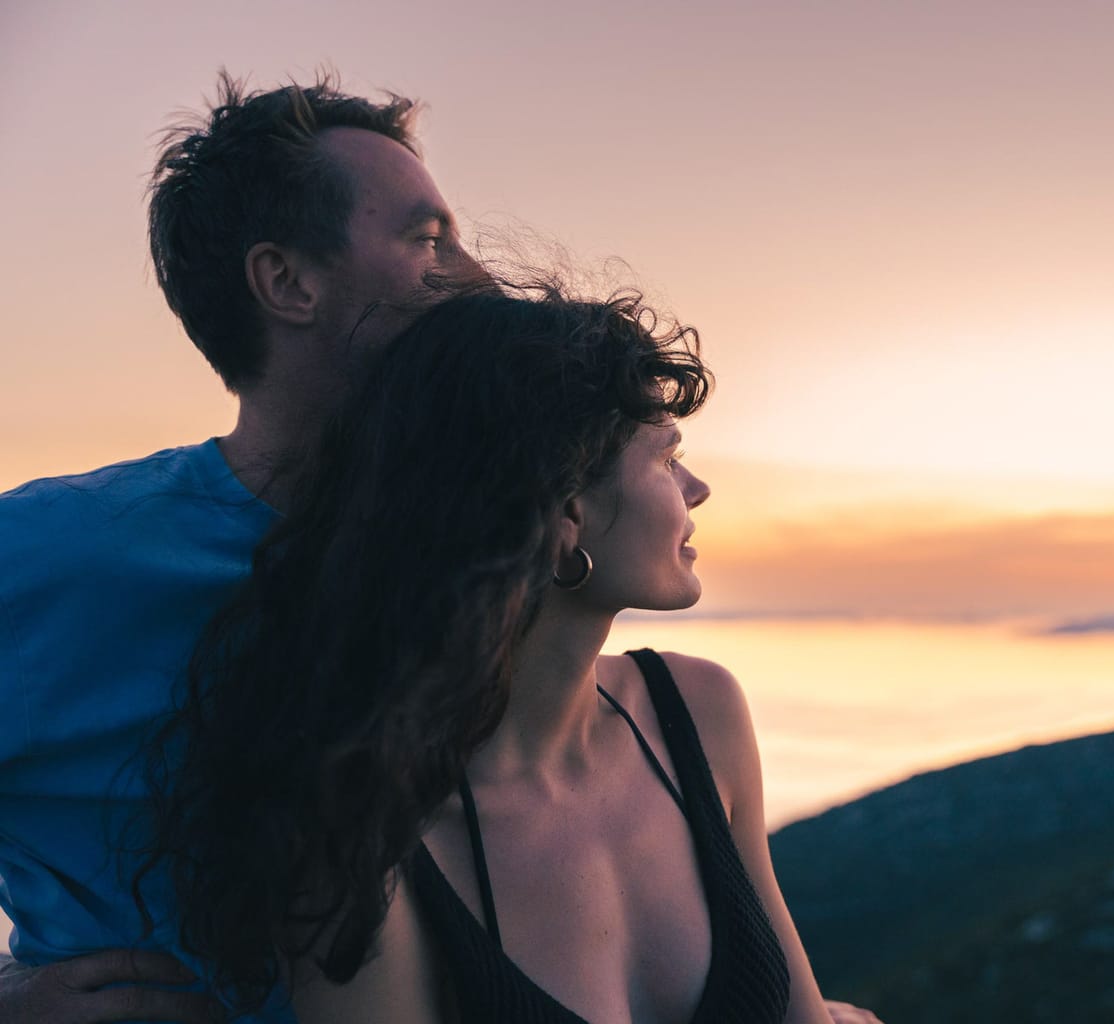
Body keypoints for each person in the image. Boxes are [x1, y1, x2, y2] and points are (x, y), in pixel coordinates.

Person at [0, 73, 882, 1024]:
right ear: (288, 282)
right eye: (428, 241)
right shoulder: (48, 559)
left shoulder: (497, 582)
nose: (476, 278)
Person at [142, 284, 838, 1024]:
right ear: (565, 513)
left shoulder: (698, 712)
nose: (696, 488)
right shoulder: (359, 834)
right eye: (667, 459)